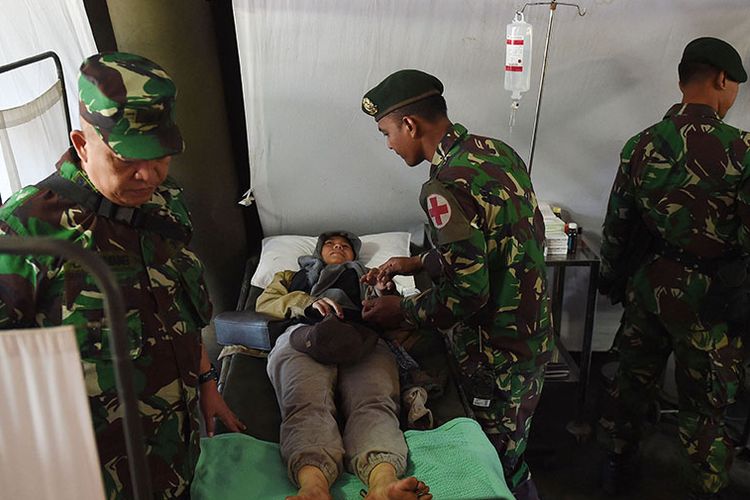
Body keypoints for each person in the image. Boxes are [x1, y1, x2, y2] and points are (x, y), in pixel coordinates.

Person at [0, 52, 244, 499]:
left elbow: (175, 305)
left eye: (161, 156)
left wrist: (206, 380)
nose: (149, 175)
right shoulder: (27, 229)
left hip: (175, 458)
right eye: (126, 158)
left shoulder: (164, 203)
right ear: (81, 143)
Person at [359, 69, 553, 500]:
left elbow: (469, 292)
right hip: (530, 335)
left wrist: (402, 311)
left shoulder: (442, 187)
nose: (389, 144)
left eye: (386, 133)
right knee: (515, 449)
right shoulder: (495, 153)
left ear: (410, 125)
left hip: (495, 353)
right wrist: (417, 261)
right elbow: (502, 246)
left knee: (494, 469)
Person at [598, 37, 748, 499]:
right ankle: (706, 484)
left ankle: (618, 466)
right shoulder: (742, 149)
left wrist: (614, 279)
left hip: (650, 283)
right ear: (722, 80)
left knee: (632, 383)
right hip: (711, 297)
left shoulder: (641, 144)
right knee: (705, 404)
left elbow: (618, 224)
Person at [260, 231, 431, 500]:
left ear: (354, 254)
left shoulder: (370, 276)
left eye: (345, 246)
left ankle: (383, 483)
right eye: (330, 244)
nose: (338, 247)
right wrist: (308, 302)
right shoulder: (291, 276)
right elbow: (265, 302)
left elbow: (398, 317)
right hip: (303, 332)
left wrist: (384, 293)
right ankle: (314, 486)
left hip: (363, 337)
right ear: (319, 250)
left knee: (374, 402)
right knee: (306, 402)